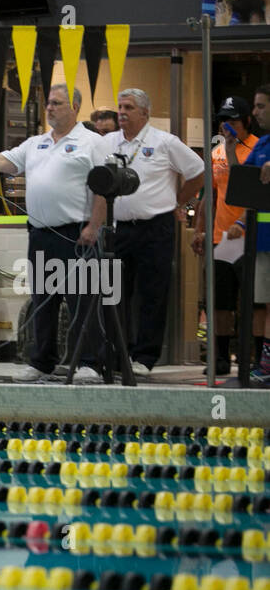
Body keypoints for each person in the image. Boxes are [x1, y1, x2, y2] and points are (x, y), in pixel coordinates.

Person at [0, 84, 108, 384]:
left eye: (57, 103)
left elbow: (102, 186)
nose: (49, 108)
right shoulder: (35, 143)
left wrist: (94, 226)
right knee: (43, 300)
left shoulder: (92, 142)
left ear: (74, 107)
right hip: (40, 234)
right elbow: (0, 161)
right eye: (48, 103)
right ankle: (42, 362)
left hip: (76, 233)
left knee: (81, 300)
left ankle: (89, 362)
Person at [104, 88, 206, 377]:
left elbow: (199, 172)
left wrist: (178, 201)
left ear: (145, 113)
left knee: (152, 295)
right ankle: (115, 353)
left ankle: (144, 358)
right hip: (118, 228)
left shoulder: (164, 142)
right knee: (114, 294)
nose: (122, 112)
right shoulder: (108, 142)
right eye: (120, 106)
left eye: (129, 107)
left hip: (155, 228)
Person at [192, 96, 259, 376]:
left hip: (251, 237)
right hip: (221, 238)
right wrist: (199, 230)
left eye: (232, 121)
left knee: (254, 301)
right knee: (220, 302)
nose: (226, 126)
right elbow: (211, 194)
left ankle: (254, 356)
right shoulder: (217, 152)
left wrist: (243, 223)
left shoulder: (258, 148)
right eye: (223, 121)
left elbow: (253, 194)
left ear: (246, 121)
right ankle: (218, 356)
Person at [242, 83, 270, 383]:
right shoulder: (262, 145)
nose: (255, 112)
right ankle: (262, 363)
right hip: (261, 240)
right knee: (261, 303)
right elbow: (242, 182)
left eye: (261, 106)